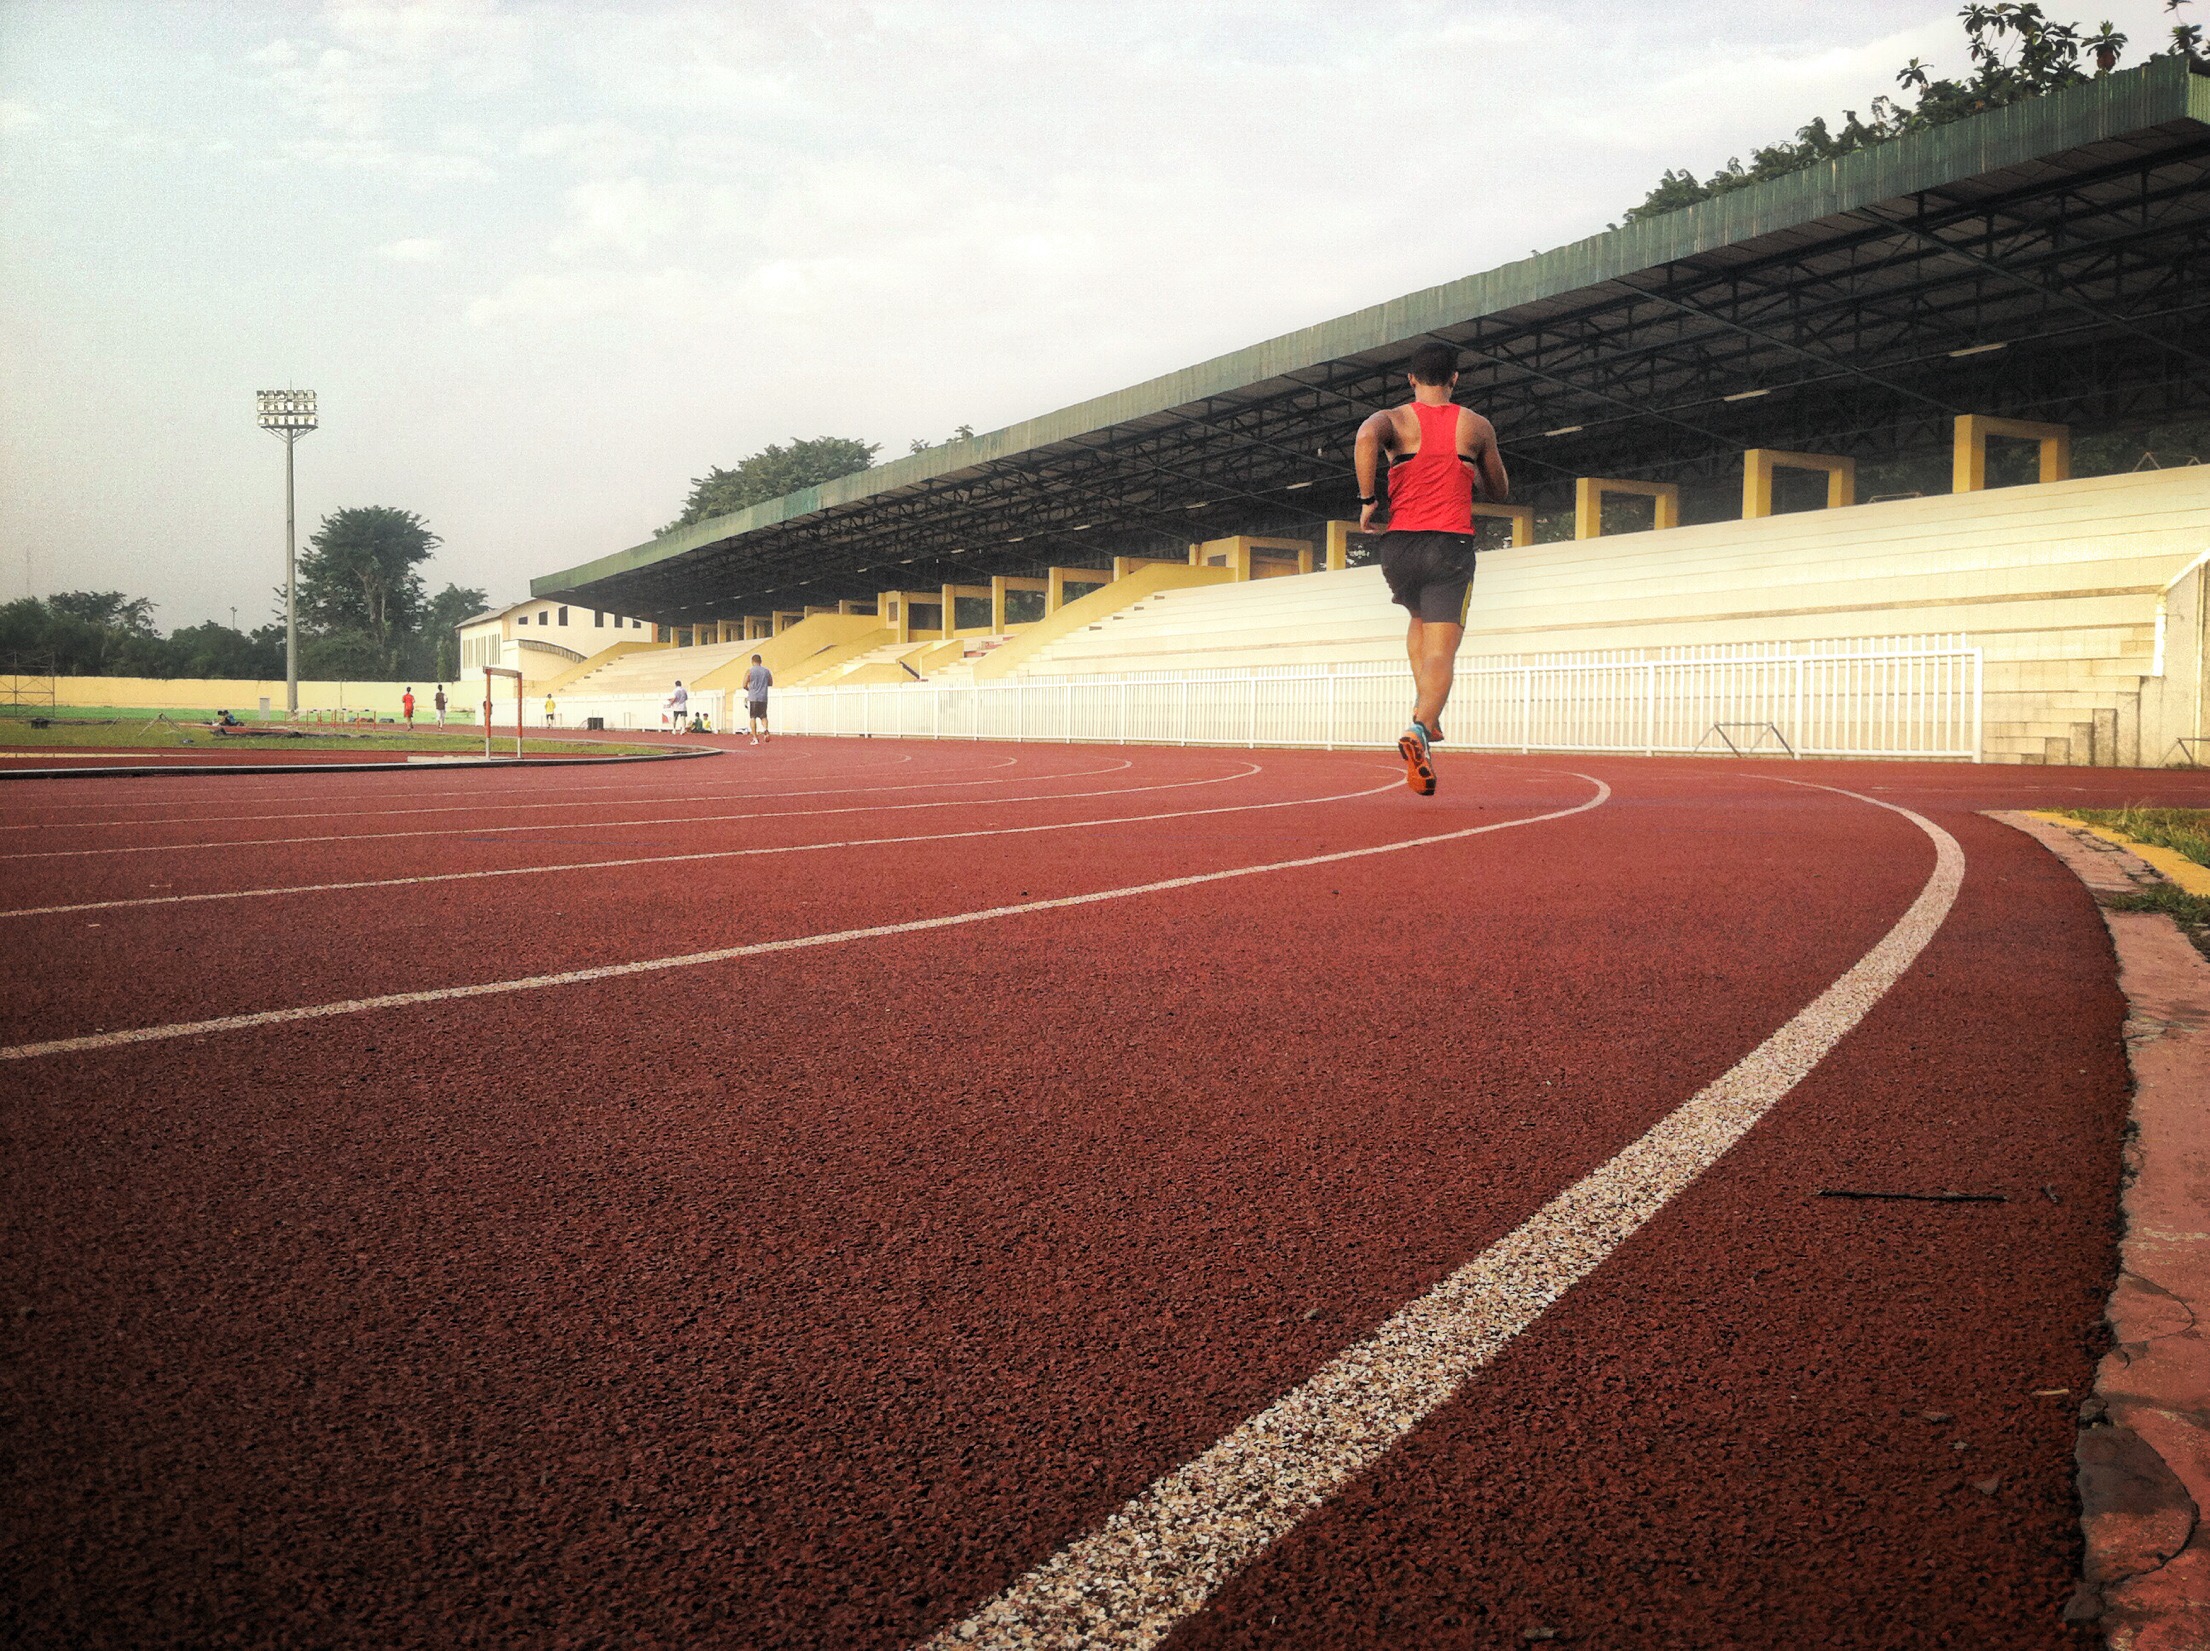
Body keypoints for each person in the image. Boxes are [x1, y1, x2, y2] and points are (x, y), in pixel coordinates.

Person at [1352, 340, 1510, 796]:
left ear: (1411, 379)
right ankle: (1422, 725)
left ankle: (1428, 714)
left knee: (1417, 622)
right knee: (1442, 649)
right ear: (1456, 378)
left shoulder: (1394, 420)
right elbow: (1499, 488)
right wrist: (1473, 462)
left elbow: (1365, 437)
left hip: (1399, 546)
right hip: (1449, 543)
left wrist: (1368, 500)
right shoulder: (1475, 425)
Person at [744, 653, 772, 744]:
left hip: (753, 697)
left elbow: (744, 684)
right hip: (763, 697)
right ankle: (765, 729)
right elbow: (770, 683)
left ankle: (755, 738)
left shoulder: (750, 671)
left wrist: (749, 689)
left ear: (752, 662)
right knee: (763, 716)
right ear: (761, 661)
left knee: (753, 717)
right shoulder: (766, 671)